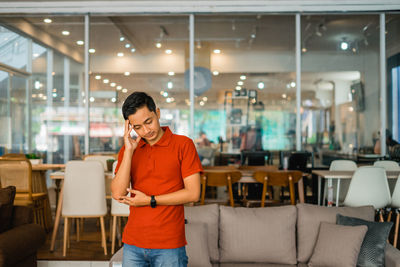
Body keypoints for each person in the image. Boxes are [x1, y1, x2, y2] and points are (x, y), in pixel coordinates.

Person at [111, 92, 202, 267]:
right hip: (133, 243)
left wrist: (150, 200)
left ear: (157, 113)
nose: (146, 131)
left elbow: (193, 194)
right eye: (137, 127)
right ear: (130, 127)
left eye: (149, 121)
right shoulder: (129, 150)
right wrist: (129, 151)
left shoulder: (183, 145)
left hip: (169, 245)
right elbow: (117, 193)